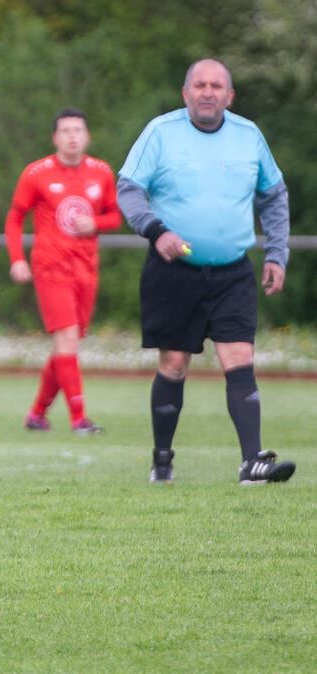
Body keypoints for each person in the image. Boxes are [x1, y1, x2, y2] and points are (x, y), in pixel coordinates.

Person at [117, 58, 296, 485]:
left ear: (229, 96)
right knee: (175, 363)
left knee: (240, 359)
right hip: (173, 271)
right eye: (199, 84)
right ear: (186, 93)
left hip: (232, 272)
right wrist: (156, 230)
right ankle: (162, 460)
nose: (208, 91)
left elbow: (273, 196)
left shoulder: (248, 136)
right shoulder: (160, 133)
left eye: (217, 85)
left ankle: (252, 462)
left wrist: (276, 253)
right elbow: (129, 190)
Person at [4, 108, 121, 435]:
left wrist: (94, 223)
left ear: (87, 136)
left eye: (78, 130)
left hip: (87, 270)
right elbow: (15, 217)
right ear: (55, 138)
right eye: (65, 130)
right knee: (67, 339)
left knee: (66, 346)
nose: (72, 136)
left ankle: (37, 413)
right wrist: (17, 258)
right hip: (51, 267)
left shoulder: (101, 173)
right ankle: (79, 419)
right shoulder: (37, 173)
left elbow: (114, 217)